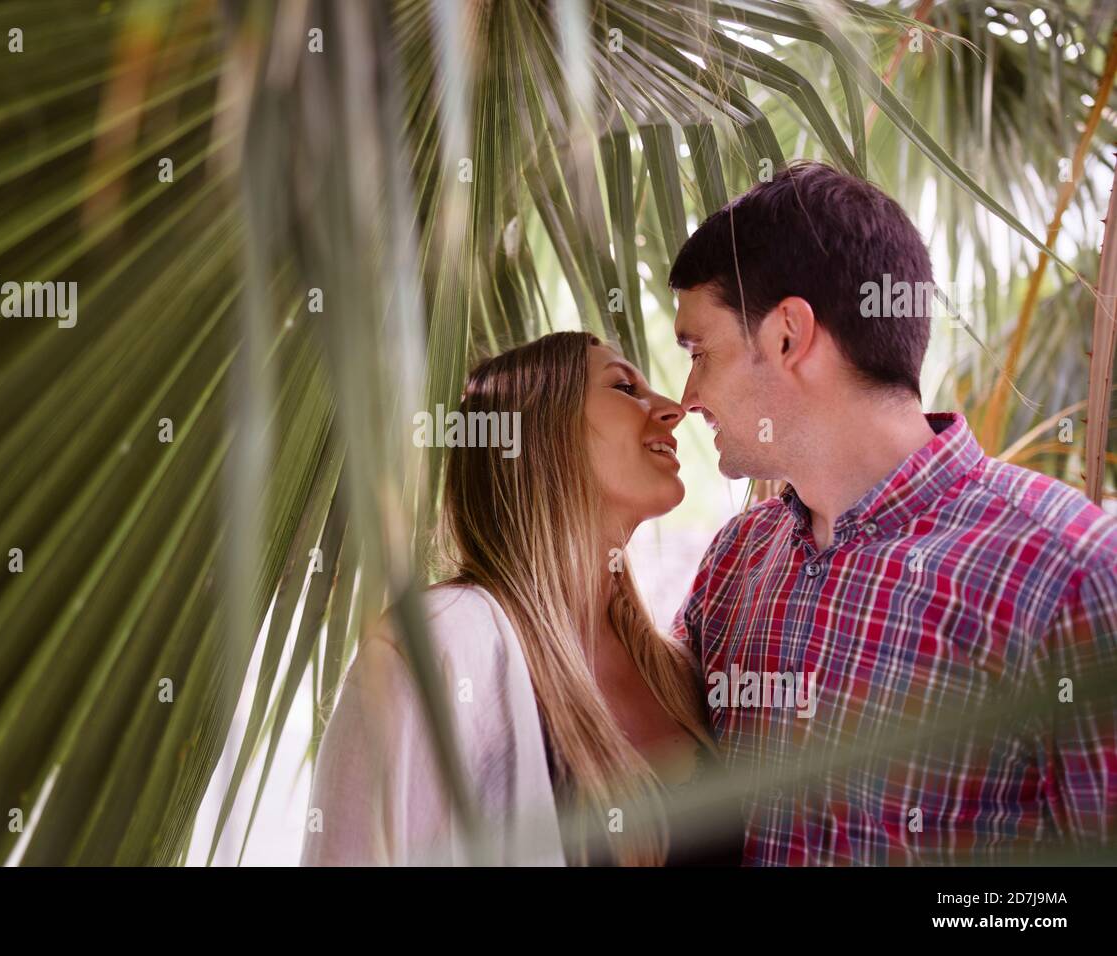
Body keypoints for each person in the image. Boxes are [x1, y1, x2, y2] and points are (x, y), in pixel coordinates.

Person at [669, 161, 1117, 865]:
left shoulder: (1071, 573)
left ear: (789, 335)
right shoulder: (734, 562)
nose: (687, 397)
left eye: (699, 352)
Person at [301, 332, 745, 866]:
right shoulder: (441, 642)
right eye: (625, 387)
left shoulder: (678, 669)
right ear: (540, 433)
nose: (673, 409)